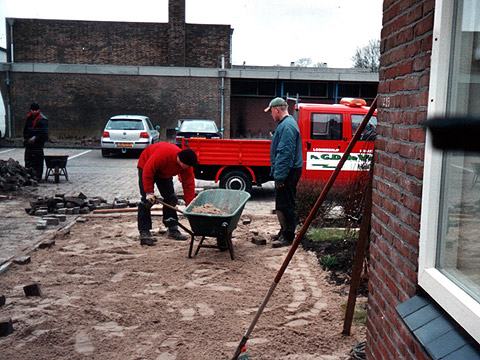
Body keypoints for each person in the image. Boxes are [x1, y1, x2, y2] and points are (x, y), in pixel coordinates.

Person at [137, 142, 197, 246]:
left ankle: (172, 228)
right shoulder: (163, 155)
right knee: (146, 201)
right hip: (146, 165)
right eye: (186, 166)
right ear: (179, 159)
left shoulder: (187, 166)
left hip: (164, 173)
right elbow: (148, 171)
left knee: (171, 198)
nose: (186, 168)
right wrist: (149, 192)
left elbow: (189, 185)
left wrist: (190, 205)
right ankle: (144, 232)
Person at [264, 97, 303, 248]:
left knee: (286, 205)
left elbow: (285, 153)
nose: (271, 115)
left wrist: (279, 177)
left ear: (277, 110)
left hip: (288, 172)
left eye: (271, 112)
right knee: (282, 204)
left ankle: (287, 236)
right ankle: (284, 231)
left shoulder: (287, 126)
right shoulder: (286, 124)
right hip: (288, 170)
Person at [23, 103, 49, 181]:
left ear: (38, 110)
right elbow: (26, 130)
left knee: (38, 161)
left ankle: (38, 177)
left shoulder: (42, 119)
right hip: (29, 144)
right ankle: (28, 176)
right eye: (33, 110)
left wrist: (35, 138)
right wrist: (27, 139)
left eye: (35, 110)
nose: (34, 112)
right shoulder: (29, 118)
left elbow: (44, 133)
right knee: (28, 160)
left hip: (38, 144)